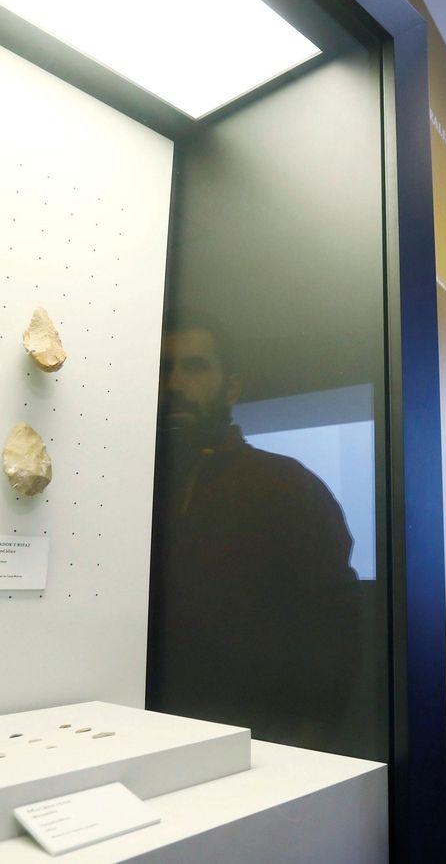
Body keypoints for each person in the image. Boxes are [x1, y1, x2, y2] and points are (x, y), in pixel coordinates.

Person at [146, 309, 364, 753]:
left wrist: (305, 743)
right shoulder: (130, 489)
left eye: (195, 367)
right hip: (140, 732)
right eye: (165, 368)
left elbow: (332, 631)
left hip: (257, 745)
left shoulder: (287, 486)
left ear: (232, 386)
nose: (174, 385)